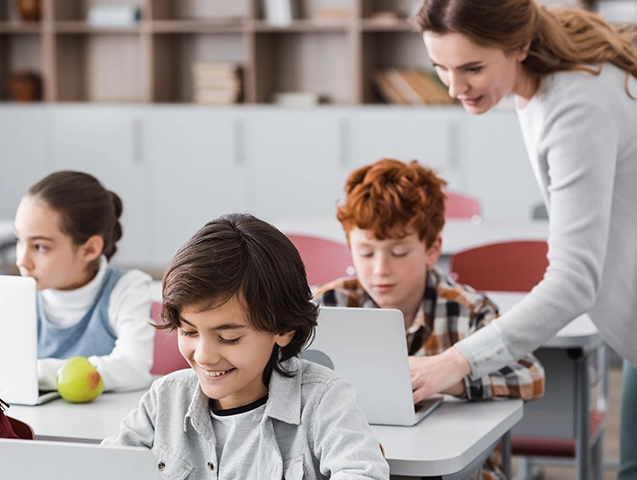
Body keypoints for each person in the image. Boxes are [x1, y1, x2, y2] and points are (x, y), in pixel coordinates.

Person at [412, 0, 637, 476]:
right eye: (440, 68)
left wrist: (458, 361)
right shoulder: (539, 84)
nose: (455, 87)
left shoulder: (575, 106)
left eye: (472, 68)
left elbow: (574, 282)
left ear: (520, 46)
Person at [102, 213, 389, 480]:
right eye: (188, 332)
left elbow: (362, 473)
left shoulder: (324, 400)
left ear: (284, 329)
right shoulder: (164, 400)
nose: (204, 356)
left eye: (228, 338)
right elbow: (99, 468)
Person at [313, 158, 545, 480]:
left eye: (398, 253)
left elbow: (531, 375)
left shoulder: (468, 310)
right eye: (365, 252)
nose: (380, 269)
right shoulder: (328, 305)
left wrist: (454, 377)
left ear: (432, 249)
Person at [14, 171, 154, 392]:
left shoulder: (127, 288)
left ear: (89, 249)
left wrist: (36, 372)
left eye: (40, 246)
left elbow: (133, 367)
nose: (21, 260)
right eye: (19, 240)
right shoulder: (15, 295)